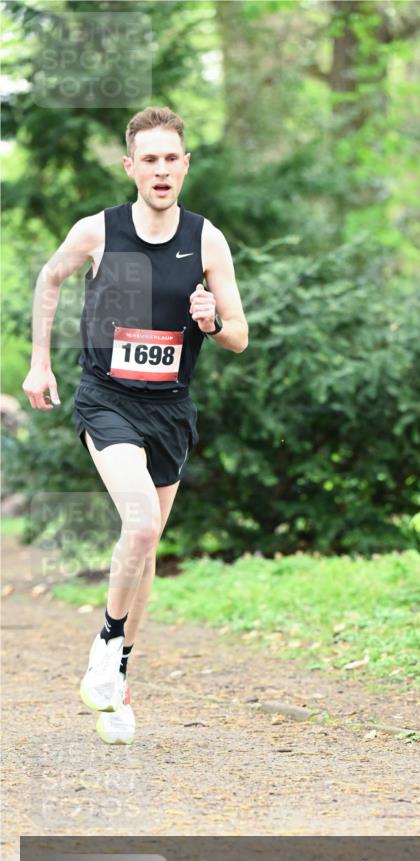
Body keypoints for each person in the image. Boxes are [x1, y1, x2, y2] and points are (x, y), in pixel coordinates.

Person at [22, 106, 249, 746]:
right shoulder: (98, 231)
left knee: (144, 549)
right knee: (142, 523)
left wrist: (208, 322)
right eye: (148, 159)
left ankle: (116, 678)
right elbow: (50, 278)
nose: (160, 169)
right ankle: (106, 644)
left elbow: (239, 336)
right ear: (131, 167)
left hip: (171, 408)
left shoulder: (207, 240)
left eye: (171, 158)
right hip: (107, 399)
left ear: (184, 166)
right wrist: (40, 363)